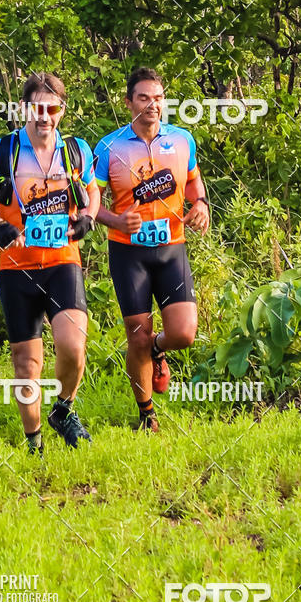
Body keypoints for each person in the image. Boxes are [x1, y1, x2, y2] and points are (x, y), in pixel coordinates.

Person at [0, 72, 100, 454]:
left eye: (51, 108)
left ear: (61, 110)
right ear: (24, 109)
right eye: (36, 108)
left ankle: (64, 410)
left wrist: (88, 214)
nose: (44, 116)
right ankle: (34, 442)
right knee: (27, 363)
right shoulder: (3, 151)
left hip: (61, 261)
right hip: (16, 268)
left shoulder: (76, 151)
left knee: (73, 345)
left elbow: (92, 190)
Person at [93, 67, 209, 432]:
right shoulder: (109, 147)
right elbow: (89, 205)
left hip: (172, 247)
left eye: (158, 98)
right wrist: (114, 220)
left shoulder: (182, 139)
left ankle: (158, 348)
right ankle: (146, 414)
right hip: (129, 253)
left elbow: (193, 183)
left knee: (184, 333)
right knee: (137, 335)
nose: (152, 105)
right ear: (129, 103)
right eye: (143, 98)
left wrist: (201, 204)